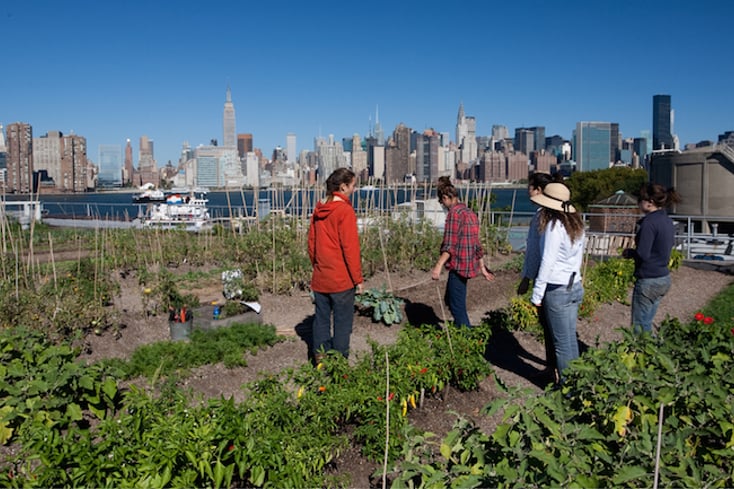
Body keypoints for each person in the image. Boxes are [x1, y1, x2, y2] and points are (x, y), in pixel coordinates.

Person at [529, 182, 585, 384]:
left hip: (557, 289)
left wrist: (537, 295)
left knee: (561, 344)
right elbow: (578, 256)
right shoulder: (575, 224)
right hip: (574, 284)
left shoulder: (553, 226)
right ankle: (578, 384)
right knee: (570, 339)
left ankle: (569, 388)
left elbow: (547, 261)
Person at [308, 168, 364, 360]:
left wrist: (317, 265)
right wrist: (358, 278)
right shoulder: (345, 211)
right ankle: (339, 366)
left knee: (321, 320)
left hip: (321, 276)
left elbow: (311, 243)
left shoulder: (318, 208)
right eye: (353, 186)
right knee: (342, 323)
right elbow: (350, 249)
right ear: (343, 187)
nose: (354, 190)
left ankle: (320, 361)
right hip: (341, 279)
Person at [431, 176, 494, 328]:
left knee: (456, 305)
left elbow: (449, 244)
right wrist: (483, 268)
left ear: (446, 198)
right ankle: (460, 330)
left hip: (459, 264)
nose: (443, 205)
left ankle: (467, 336)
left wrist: (438, 265)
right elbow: (476, 244)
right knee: (451, 299)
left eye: (442, 201)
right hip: (468, 264)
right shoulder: (469, 213)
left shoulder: (454, 214)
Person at [622, 183, 681, 335]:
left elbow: (643, 253)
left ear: (650, 202)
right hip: (663, 276)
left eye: (640, 199)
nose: (639, 203)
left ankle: (643, 355)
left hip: (648, 279)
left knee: (639, 327)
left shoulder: (649, 223)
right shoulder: (667, 221)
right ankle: (652, 353)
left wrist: (630, 253)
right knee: (647, 322)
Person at [516, 172, 556, 383]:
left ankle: (554, 371)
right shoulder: (554, 214)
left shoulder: (541, 217)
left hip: (546, 281)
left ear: (539, 190)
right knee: (555, 330)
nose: (528, 191)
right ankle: (553, 368)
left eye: (530, 187)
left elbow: (535, 253)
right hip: (561, 281)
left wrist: (527, 279)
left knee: (551, 329)